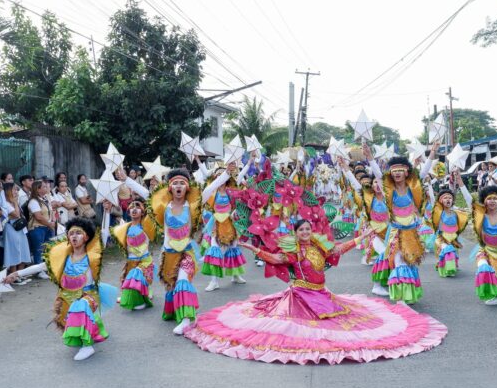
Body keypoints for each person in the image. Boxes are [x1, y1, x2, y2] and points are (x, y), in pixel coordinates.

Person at [182, 219, 449, 364]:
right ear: (296, 233)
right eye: (302, 230)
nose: (306, 232)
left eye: (309, 229)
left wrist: (364, 237)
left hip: (322, 293)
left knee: (343, 321)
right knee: (302, 330)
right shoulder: (292, 252)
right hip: (299, 295)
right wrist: (254, 249)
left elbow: (340, 250)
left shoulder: (320, 248)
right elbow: (275, 261)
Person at [5, 217, 115, 361]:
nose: (74, 236)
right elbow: (39, 266)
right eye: (71, 233)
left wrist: (106, 211)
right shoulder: (63, 258)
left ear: (87, 236)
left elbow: (104, 234)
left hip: (89, 295)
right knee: (71, 318)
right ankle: (95, 328)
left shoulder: (92, 256)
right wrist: (16, 274)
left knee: (80, 307)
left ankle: (87, 346)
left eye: (78, 233)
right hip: (67, 297)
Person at [126, 168, 202, 335]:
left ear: (187, 187)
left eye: (182, 183)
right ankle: (180, 312)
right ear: (170, 187)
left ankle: (187, 319)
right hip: (168, 254)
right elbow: (146, 194)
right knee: (171, 285)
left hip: (187, 253)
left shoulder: (192, 205)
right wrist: (125, 178)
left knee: (183, 281)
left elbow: (210, 188)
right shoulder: (164, 206)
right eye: (175, 183)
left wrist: (227, 172)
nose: (179, 186)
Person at [364, 143, 432, 305]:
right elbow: (379, 176)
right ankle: (400, 296)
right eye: (393, 171)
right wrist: (370, 157)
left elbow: (422, 173)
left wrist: (433, 153)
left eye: (400, 171)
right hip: (396, 233)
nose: (397, 174)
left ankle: (409, 294)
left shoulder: (411, 188)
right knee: (399, 261)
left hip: (412, 234)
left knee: (409, 262)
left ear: (406, 172)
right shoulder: (388, 190)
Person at [457, 174, 497, 305]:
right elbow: (469, 201)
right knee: (484, 268)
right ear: (484, 201)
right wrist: (461, 183)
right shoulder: (481, 216)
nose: (492, 201)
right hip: (484, 251)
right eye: (489, 198)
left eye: (495, 199)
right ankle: (491, 296)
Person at [197, 155, 254, 292]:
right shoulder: (211, 192)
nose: (220, 179)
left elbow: (240, 176)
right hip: (217, 225)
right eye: (218, 176)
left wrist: (250, 161)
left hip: (230, 223)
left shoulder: (231, 191)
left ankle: (235, 276)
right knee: (214, 251)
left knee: (233, 249)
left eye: (223, 176)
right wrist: (199, 162)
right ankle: (214, 281)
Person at [341, 160, 390, 296]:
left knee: (391, 256)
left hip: (389, 232)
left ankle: (387, 281)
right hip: (373, 232)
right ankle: (377, 285)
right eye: (375, 182)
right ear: (371, 185)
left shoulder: (389, 198)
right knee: (383, 255)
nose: (377, 185)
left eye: (380, 183)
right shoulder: (368, 198)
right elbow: (356, 184)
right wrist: (346, 168)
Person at [113, 199, 157, 311]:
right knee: (130, 283)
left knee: (139, 277)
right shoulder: (125, 228)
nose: (134, 209)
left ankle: (145, 293)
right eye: (132, 207)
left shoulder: (147, 225)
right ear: (128, 212)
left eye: (137, 207)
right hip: (131, 260)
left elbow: (154, 210)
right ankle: (136, 295)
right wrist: (107, 213)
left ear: (142, 212)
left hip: (144, 260)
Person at [2, 183, 31, 278]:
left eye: (16, 190)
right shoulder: (5, 203)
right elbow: (16, 215)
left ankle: (20, 274)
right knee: (13, 251)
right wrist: (15, 203)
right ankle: (13, 276)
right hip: (11, 228)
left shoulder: (14, 202)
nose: (16, 192)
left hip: (21, 229)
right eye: (14, 190)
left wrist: (15, 202)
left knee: (23, 249)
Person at [26, 180, 56, 267]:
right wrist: (49, 224)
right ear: (38, 189)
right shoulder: (33, 201)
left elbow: (51, 211)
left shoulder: (45, 199)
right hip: (37, 228)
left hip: (48, 227)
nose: (46, 187)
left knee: (48, 249)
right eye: (44, 186)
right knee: (38, 250)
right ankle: (39, 270)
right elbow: (38, 217)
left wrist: (53, 221)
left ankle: (47, 267)